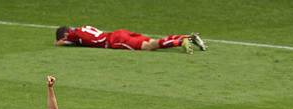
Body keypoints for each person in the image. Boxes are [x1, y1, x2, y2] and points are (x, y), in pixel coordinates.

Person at [55, 25, 206, 54]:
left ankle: (181, 42)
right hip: (119, 33)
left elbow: (67, 40)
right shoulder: (83, 28)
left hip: (114, 41)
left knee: (149, 46)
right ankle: (188, 37)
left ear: (66, 34)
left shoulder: (74, 35)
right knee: (153, 41)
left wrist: (61, 41)